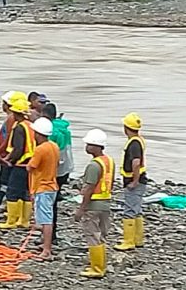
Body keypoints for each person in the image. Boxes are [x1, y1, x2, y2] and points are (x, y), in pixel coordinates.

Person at [75, 129, 113, 278]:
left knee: (92, 235)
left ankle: (97, 268)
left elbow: (89, 188)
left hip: (94, 205)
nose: (86, 147)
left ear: (96, 146)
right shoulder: (108, 161)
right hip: (105, 203)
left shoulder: (94, 165)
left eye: (89, 144)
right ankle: (102, 265)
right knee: (102, 235)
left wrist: (81, 209)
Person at [0, 98, 35, 230]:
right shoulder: (30, 125)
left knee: (12, 192)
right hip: (29, 164)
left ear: (16, 113)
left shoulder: (19, 128)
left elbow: (18, 149)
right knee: (25, 192)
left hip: (20, 164)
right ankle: (24, 221)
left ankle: (11, 221)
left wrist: (8, 159)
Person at [27, 117, 59, 260]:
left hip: (43, 187)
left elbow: (31, 166)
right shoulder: (54, 146)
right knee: (47, 217)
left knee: (46, 219)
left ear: (38, 134)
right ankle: (46, 245)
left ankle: (47, 250)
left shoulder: (40, 149)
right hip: (52, 186)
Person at [114, 112, 147, 251]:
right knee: (136, 210)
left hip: (134, 181)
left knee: (129, 211)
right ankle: (138, 239)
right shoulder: (139, 140)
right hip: (140, 179)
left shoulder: (133, 143)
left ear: (126, 127)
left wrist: (134, 181)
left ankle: (129, 241)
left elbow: (136, 163)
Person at [43, 103, 74, 243]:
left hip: (54, 172)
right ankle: (51, 233)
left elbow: (53, 156)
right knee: (53, 202)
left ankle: (50, 235)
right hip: (65, 170)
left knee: (49, 204)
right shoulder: (64, 129)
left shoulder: (52, 132)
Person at [0, 91, 26, 209]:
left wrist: (2, 155)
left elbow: (8, 140)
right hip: (10, 155)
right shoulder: (16, 119)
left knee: (5, 181)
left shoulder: (12, 120)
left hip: (9, 155)